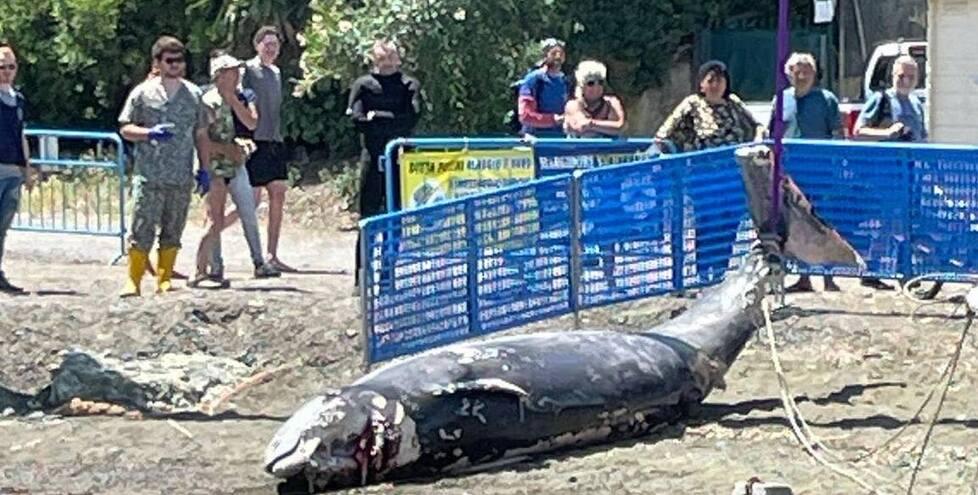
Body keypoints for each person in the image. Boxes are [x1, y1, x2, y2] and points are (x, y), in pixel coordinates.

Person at [656, 60, 765, 284]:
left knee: (729, 224)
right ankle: (704, 274)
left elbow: (758, 125)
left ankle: (721, 274)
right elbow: (663, 135)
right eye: (711, 80)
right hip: (703, 178)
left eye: (720, 79)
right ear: (702, 84)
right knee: (707, 225)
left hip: (733, 177)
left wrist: (756, 143)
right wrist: (678, 154)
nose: (716, 85)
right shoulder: (692, 104)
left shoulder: (733, 103)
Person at [117, 35, 209, 297]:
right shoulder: (142, 93)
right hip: (149, 175)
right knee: (141, 228)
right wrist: (148, 134)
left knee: (173, 228)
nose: (175, 66)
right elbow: (125, 127)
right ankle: (133, 281)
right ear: (157, 62)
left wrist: (204, 169)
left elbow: (200, 133)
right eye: (170, 61)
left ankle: (164, 278)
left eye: (180, 61)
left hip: (180, 176)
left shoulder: (193, 95)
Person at [191, 51, 281, 288]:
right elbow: (203, 139)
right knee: (215, 217)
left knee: (248, 209)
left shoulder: (240, 96)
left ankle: (259, 261)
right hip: (214, 165)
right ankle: (212, 267)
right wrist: (226, 150)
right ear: (219, 75)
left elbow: (252, 122)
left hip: (236, 164)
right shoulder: (207, 101)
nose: (237, 75)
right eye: (231, 72)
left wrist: (233, 101)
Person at [346, 39, 422, 293]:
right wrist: (380, 120)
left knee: (395, 219)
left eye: (391, 56)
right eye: (382, 56)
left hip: (400, 159)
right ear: (373, 58)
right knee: (367, 218)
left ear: (398, 58)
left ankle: (388, 276)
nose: (387, 61)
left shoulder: (409, 84)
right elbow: (356, 119)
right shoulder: (363, 85)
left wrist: (375, 117)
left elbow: (410, 118)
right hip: (372, 157)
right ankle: (361, 277)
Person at [853, 55, 929, 294]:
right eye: (901, 76)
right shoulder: (881, 99)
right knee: (883, 223)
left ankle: (905, 271)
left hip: (911, 174)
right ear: (892, 76)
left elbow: (922, 136)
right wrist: (887, 133)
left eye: (911, 76)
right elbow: (858, 130)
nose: (905, 80)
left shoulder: (917, 104)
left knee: (907, 223)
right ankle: (871, 270)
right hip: (884, 172)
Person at [225, 25, 296, 273]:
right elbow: (238, 95)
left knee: (278, 192)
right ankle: (213, 230)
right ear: (257, 45)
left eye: (275, 44)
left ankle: (272, 254)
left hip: (275, 140)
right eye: (267, 44)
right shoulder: (248, 70)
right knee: (250, 201)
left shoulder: (276, 72)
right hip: (255, 141)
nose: (271, 48)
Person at [770, 52, 843, 293]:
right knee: (796, 226)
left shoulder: (827, 99)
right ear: (788, 73)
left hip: (822, 173)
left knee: (824, 224)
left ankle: (828, 276)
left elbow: (838, 134)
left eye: (806, 70)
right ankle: (803, 277)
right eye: (796, 70)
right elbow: (773, 134)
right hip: (791, 174)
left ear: (814, 73)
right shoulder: (780, 100)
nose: (801, 75)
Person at [0, 43, 36, 294]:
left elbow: (21, 134)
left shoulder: (19, 99)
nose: (6, 71)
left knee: (3, 226)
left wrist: (27, 169)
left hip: (13, 170)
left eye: (11, 66)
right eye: (1, 66)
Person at [517, 38, 570, 137]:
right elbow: (525, 116)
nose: (558, 57)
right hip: (535, 138)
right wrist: (553, 120)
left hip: (561, 139)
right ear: (545, 55)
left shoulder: (566, 81)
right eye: (554, 53)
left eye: (561, 53)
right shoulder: (533, 79)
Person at [563, 60, 626, 138]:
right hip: (577, 149)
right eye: (590, 83)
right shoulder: (572, 105)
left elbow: (620, 127)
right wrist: (606, 126)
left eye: (600, 82)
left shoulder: (612, 103)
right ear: (581, 85)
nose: (596, 87)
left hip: (607, 150)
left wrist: (591, 124)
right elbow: (581, 127)